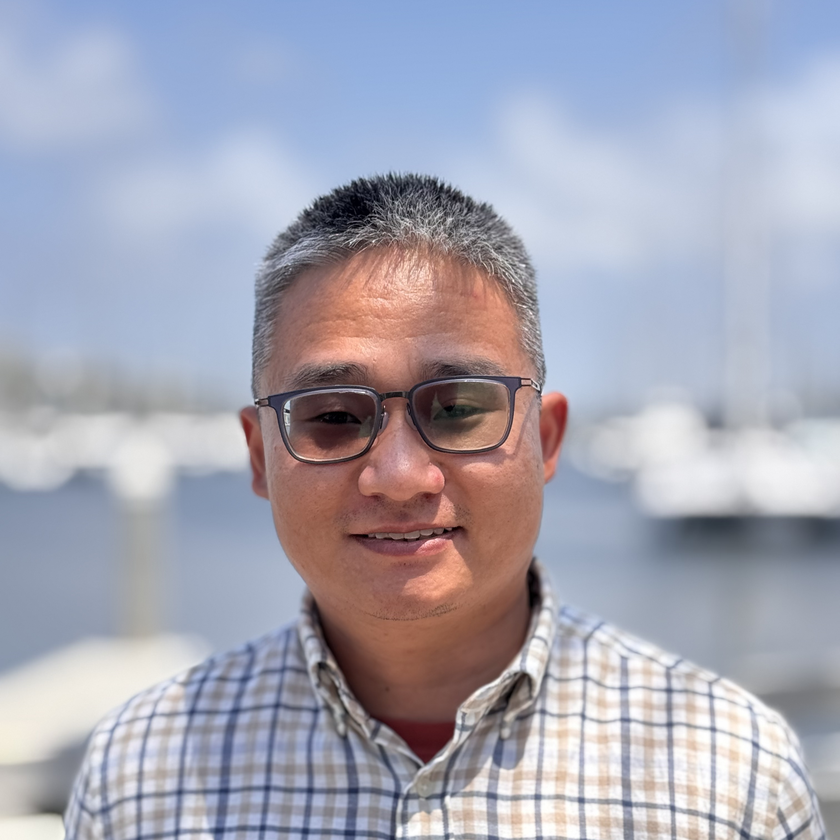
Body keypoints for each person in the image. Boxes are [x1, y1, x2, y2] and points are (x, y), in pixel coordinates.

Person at [65, 174, 824, 839]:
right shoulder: (142, 772)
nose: (398, 476)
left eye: (459, 408)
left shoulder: (730, 774)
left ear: (546, 439)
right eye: (333, 416)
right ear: (261, 454)